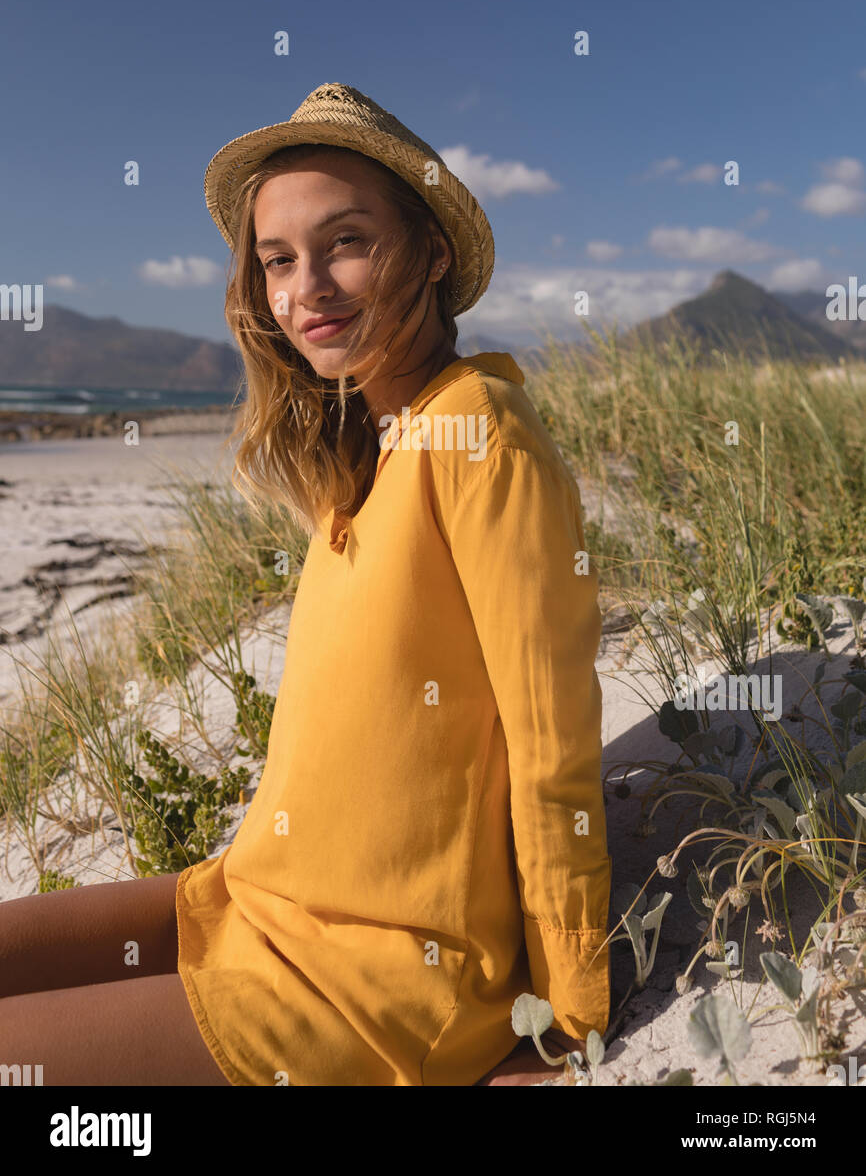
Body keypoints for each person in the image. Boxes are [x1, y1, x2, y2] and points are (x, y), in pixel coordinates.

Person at [0, 83, 611, 1086]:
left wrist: (568, 1018)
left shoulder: (478, 435)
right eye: (278, 260)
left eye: (346, 243)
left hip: (372, 983)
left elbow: (553, 750)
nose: (306, 287)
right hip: (253, 900)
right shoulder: (359, 451)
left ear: (432, 251)